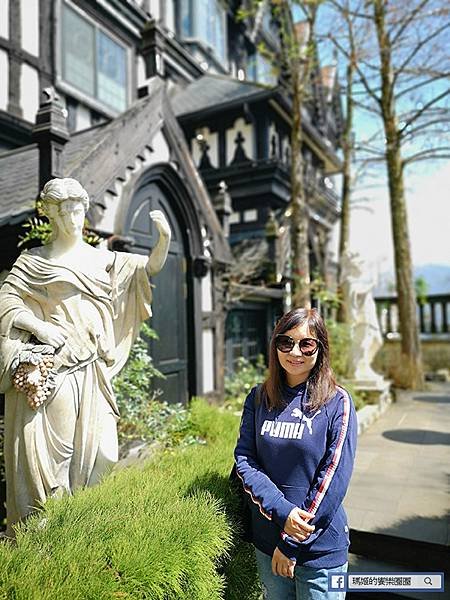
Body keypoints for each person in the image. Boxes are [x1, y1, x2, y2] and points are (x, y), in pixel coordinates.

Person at [0, 177, 171, 537]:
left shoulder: (101, 258)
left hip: (93, 368)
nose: (75, 218)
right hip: (58, 369)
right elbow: (6, 302)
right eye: (66, 211)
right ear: (53, 216)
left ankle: (84, 529)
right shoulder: (34, 261)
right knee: (57, 463)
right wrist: (39, 327)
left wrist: (165, 239)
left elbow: (148, 268)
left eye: (78, 209)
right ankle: (53, 539)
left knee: (105, 455)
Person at [234, 308, 357, 600]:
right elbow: (245, 460)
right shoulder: (258, 397)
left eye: (306, 344)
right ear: (275, 345)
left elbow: (333, 477)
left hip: (319, 550)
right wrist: (283, 511)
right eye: (286, 342)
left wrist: (291, 542)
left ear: (320, 348)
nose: (295, 352)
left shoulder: (337, 401)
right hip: (267, 543)